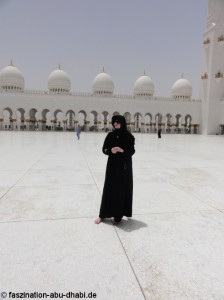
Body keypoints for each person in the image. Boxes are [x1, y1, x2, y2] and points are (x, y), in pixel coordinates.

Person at [95, 115, 135, 224]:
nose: (115, 124)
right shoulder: (110, 135)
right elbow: (104, 149)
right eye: (114, 122)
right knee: (109, 188)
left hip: (124, 167)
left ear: (122, 122)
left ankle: (118, 215)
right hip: (112, 166)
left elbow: (131, 152)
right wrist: (110, 150)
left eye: (117, 122)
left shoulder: (129, 136)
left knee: (120, 190)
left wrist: (122, 151)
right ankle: (102, 214)